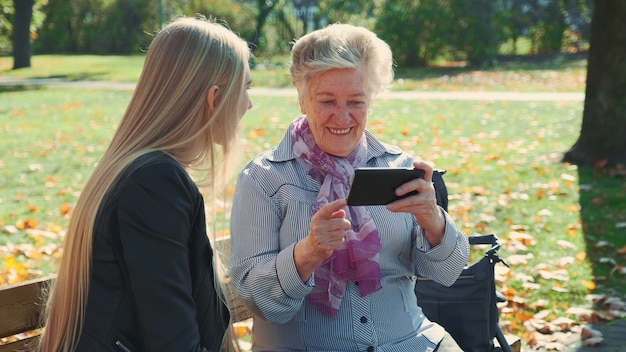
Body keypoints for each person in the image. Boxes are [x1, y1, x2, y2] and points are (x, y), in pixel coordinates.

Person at [229, 23, 470, 351]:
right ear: (302, 100)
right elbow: (257, 299)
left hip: (408, 342)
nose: (342, 117)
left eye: (356, 102)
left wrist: (434, 221)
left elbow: (447, 272)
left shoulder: (397, 167)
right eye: (326, 101)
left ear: (371, 100)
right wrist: (309, 252)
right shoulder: (264, 178)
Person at [38, 15, 253, 352]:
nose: (248, 105)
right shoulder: (154, 183)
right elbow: (174, 342)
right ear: (214, 99)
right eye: (246, 89)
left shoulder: (138, 171)